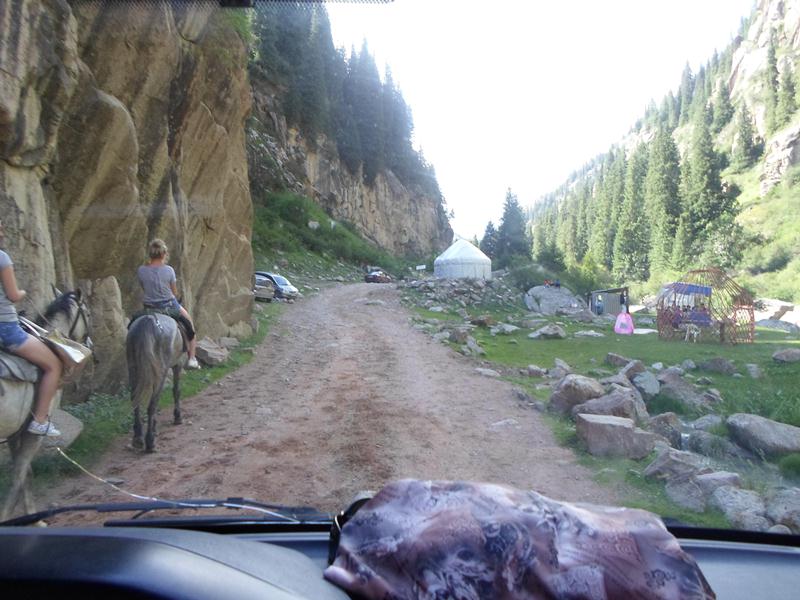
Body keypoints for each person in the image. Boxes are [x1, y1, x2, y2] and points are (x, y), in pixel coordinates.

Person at [0, 220, 63, 436]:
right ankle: (40, 421)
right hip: (6, 330)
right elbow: (13, 295)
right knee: (54, 365)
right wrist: (23, 293)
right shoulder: (2, 257)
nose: (2, 230)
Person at [137, 239, 200, 369]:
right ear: (164, 254)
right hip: (168, 305)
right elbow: (174, 291)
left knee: (133, 325)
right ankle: (192, 358)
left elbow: (144, 287)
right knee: (189, 323)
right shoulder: (169, 270)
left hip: (149, 308)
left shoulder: (141, 270)